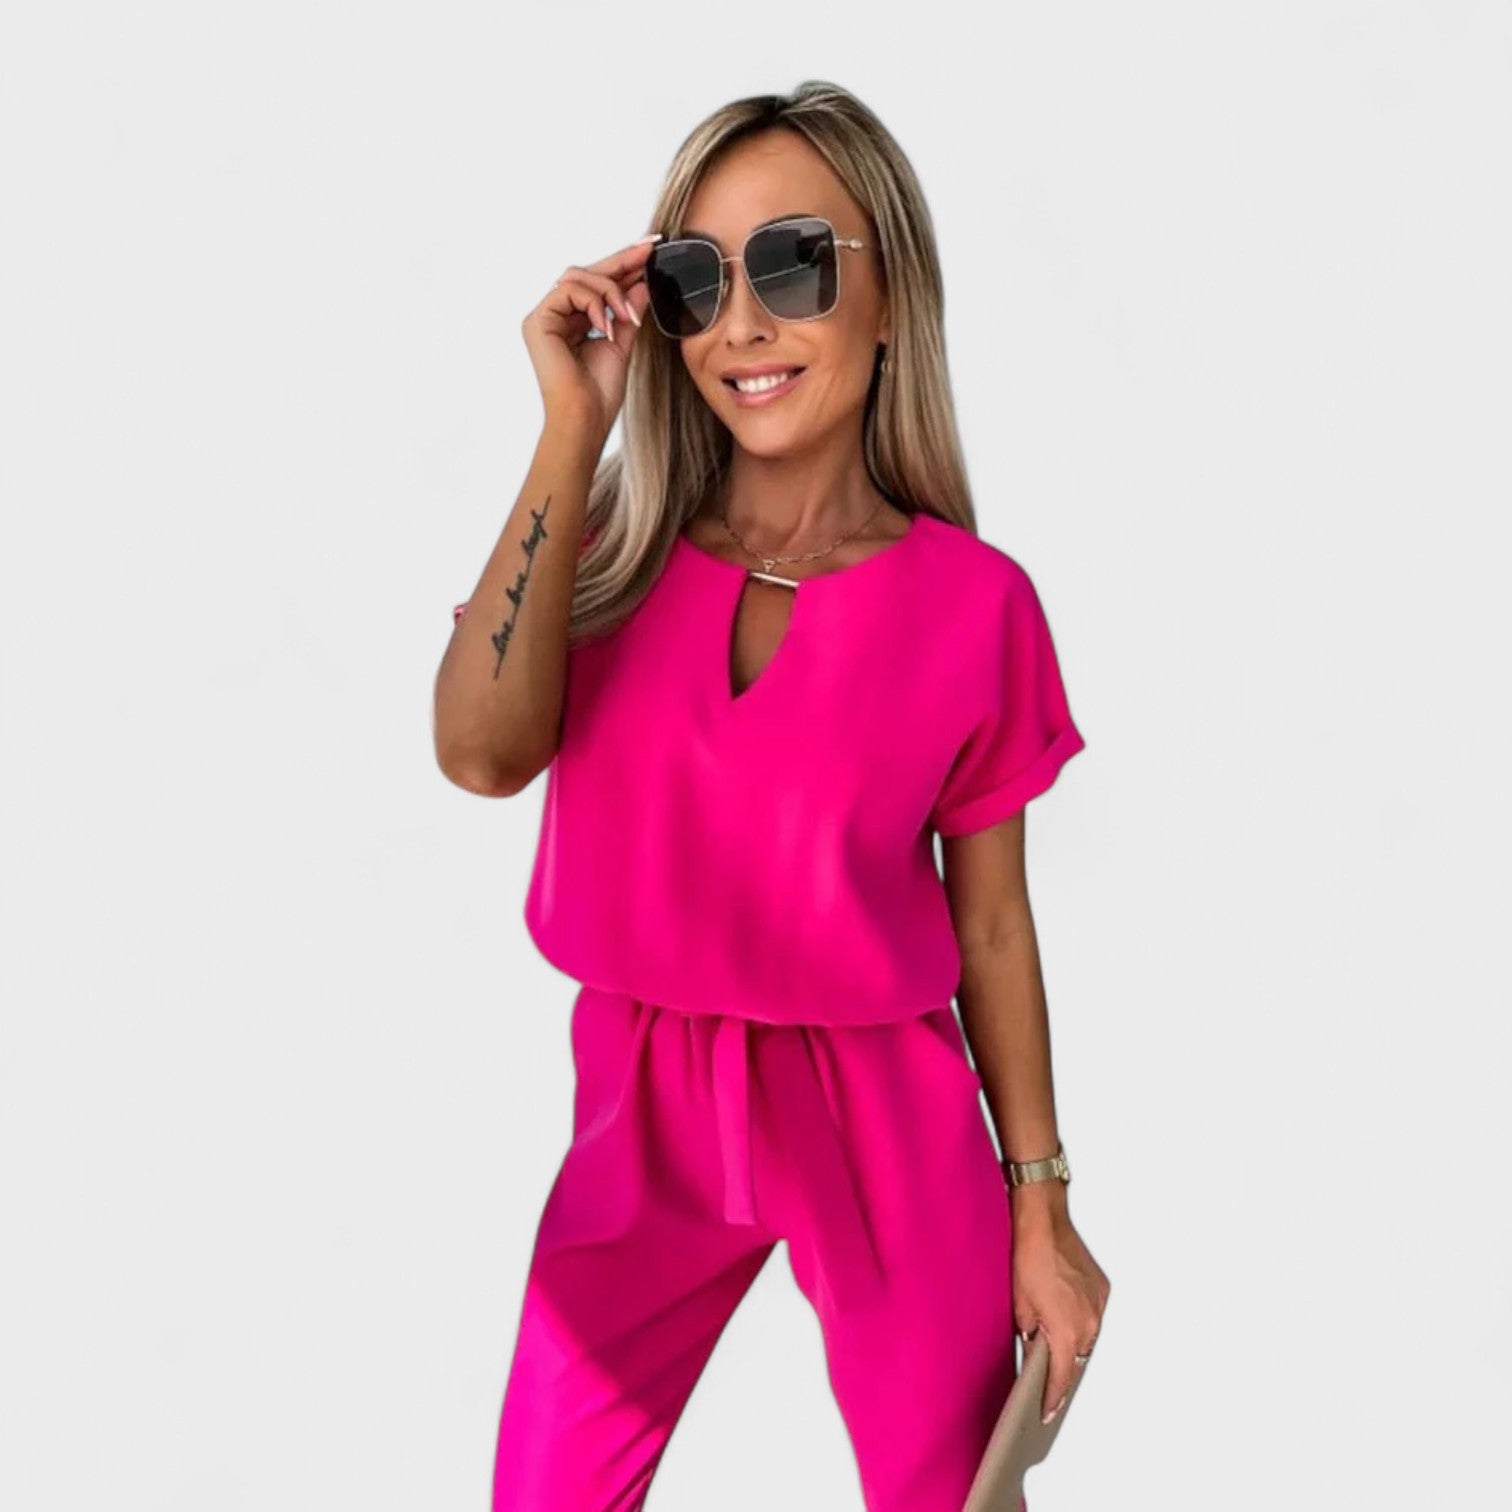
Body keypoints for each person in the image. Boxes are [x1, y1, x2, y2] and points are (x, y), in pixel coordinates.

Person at [433, 79, 1111, 1512]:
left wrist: (1041, 1205)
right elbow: (479, 756)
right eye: (697, 279)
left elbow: (993, 927)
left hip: (886, 1121)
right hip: (640, 1111)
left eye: (795, 264)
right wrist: (571, 429)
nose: (741, 322)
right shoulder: (604, 555)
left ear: (890, 293)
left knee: (950, 1496)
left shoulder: (974, 607)